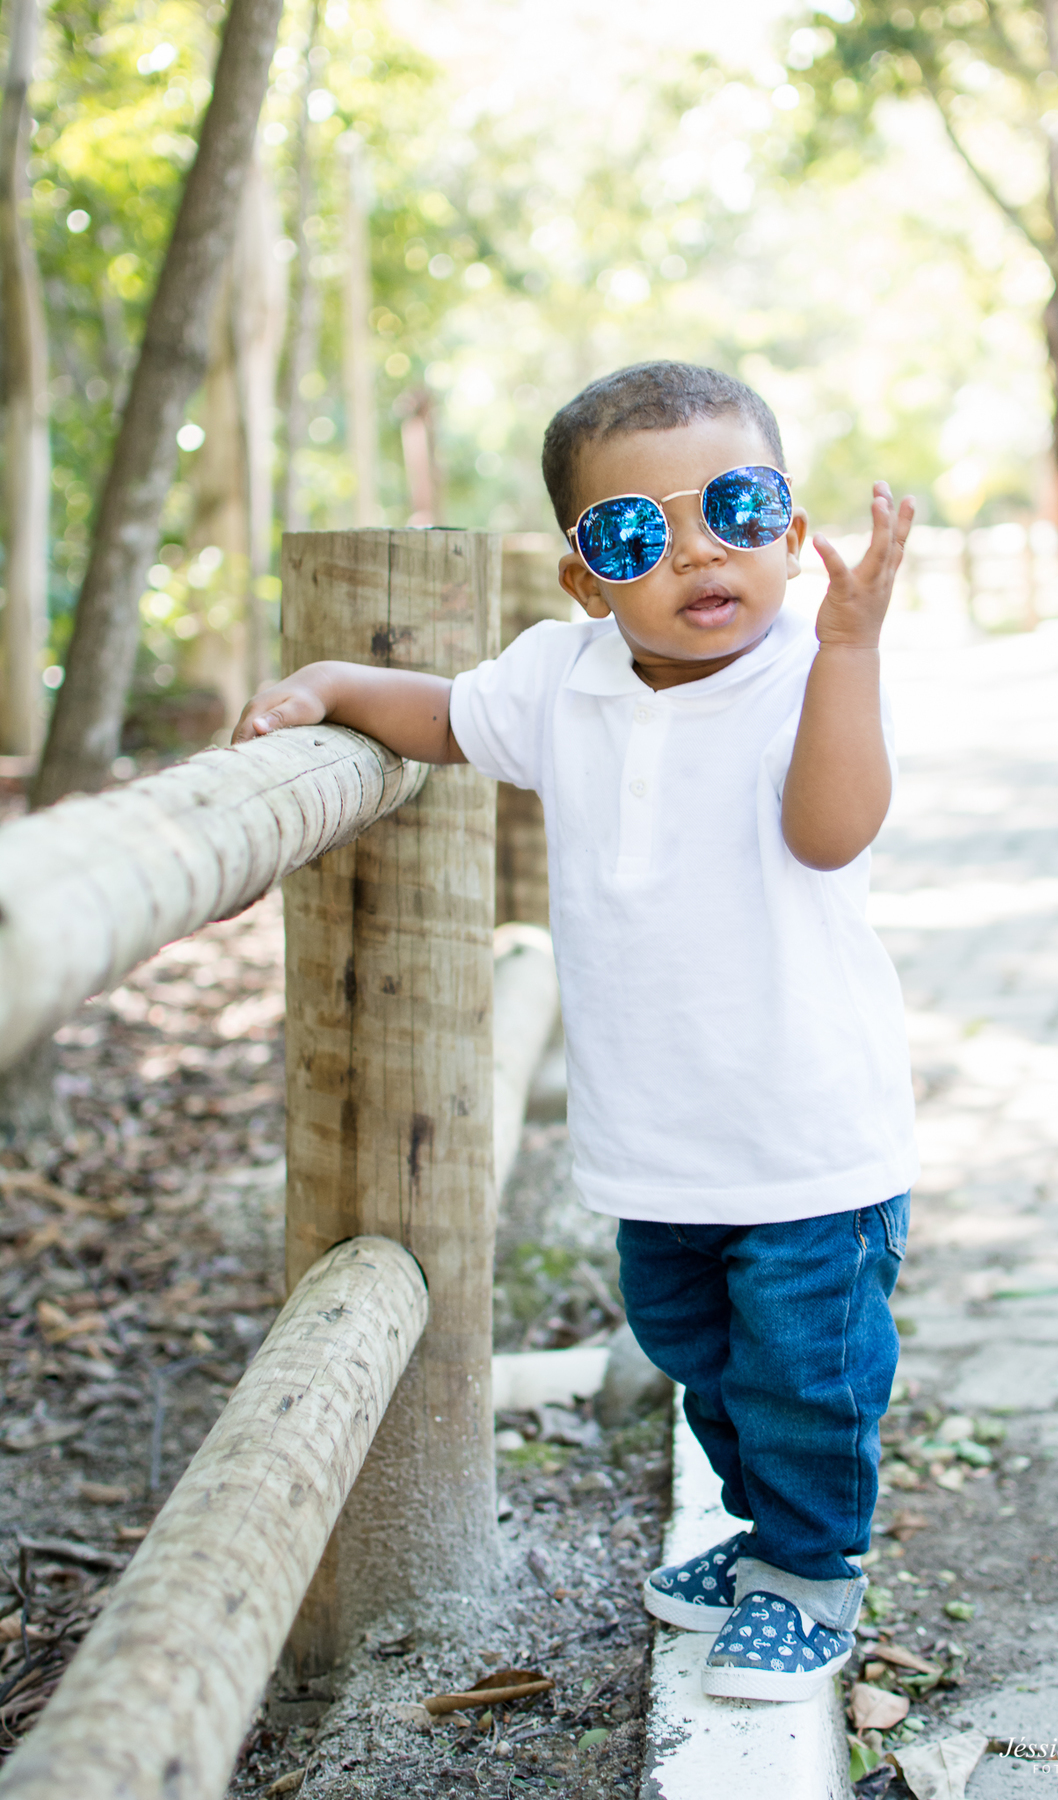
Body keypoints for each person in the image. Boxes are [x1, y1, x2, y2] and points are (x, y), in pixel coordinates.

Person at [234, 361, 918, 1704]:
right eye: (634, 534)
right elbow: (440, 718)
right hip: (652, 1139)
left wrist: (850, 647)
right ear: (584, 579)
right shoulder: (565, 679)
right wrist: (327, 680)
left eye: (736, 506)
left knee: (803, 1374)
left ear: (789, 528)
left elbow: (832, 832)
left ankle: (814, 1570)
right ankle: (767, 1532)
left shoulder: (803, 672)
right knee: (693, 1353)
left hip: (806, 1141)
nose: (696, 551)